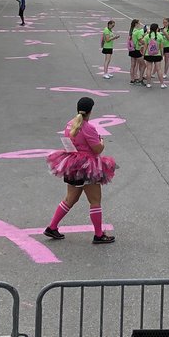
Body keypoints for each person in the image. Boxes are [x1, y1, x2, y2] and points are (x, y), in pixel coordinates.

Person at [44, 97, 117, 244]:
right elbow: (97, 149)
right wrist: (102, 141)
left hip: (72, 166)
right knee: (95, 200)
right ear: (90, 111)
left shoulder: (70, 125)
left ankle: (52, 227)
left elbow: (69, 144)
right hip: (88, 167)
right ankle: (98, 234)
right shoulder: (88, 128)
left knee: (70, 199)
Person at [127, 19, 145, 84]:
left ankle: (132, 79)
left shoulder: (132, 31)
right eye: (139, 23)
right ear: (136, 24)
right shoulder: (138, 32)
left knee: (132, 65)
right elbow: (141, 41)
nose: (140, 24)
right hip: (137, 50)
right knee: (143, 65)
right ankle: (140, 79)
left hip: (132, 50)